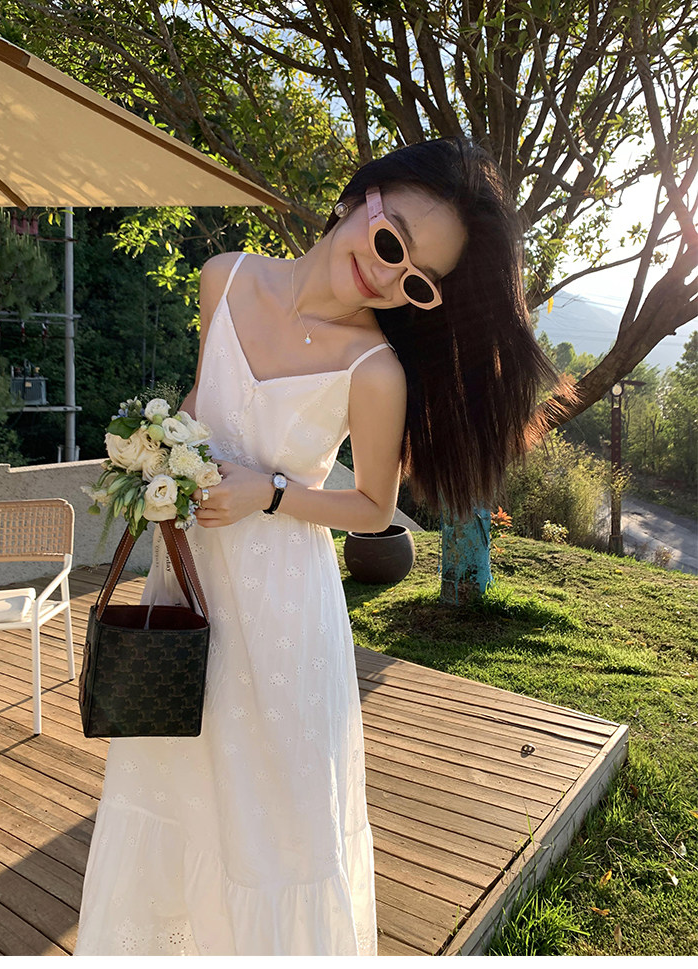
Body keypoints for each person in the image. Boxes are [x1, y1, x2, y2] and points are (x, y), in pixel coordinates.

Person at [73, 137, 559, 956]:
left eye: (416, 281)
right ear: (362, 195)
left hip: (284, 614)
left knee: (275, 829)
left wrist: (269, 492)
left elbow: (374, 508)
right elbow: (202, 400)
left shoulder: (376, 370)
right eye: (392, 241)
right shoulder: (224, 277)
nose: (387, 275)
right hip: (189, 581)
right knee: (176, 790)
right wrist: (158, 455)